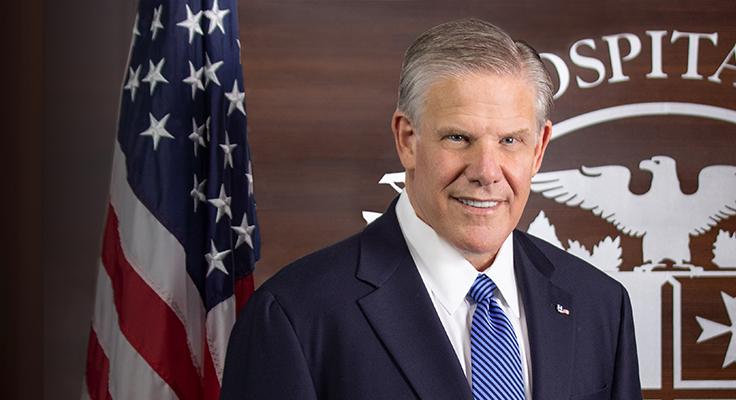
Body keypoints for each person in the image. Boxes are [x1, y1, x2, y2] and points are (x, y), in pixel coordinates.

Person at [220, 18, 640, 400]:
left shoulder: (599, 305)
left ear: (539, 149)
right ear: (407, 139)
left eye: (510, 141)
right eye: (459, 138)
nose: (486, 172)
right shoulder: (296, 316)